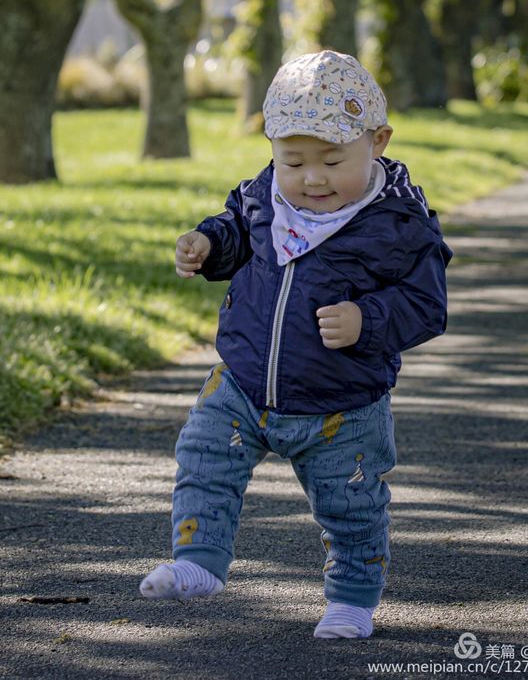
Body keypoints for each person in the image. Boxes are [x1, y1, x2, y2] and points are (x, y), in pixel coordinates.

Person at [139, 50, 452, 639]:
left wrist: (368, 319)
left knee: (351, 507)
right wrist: (208, 244)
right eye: (294, 161)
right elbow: (237, 230)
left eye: (333, 160)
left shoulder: (399, 225)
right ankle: (199, 562)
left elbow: (427, 304)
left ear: (377, 141)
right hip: (243, 384)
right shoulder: (265, 195)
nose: (313, 178)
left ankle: (353, 601)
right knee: (203, 459)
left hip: (343, 405)